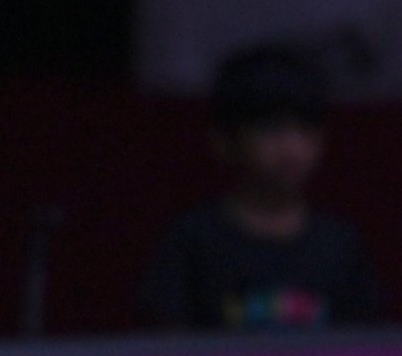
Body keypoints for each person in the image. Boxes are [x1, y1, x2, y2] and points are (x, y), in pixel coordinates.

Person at [138, 42, 383, 331]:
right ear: (224, 141)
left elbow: (364, 345)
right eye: (271, 128)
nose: (291, 148)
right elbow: (168, 344)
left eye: (306, 129)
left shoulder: (339, 246)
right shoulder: (193, 242)